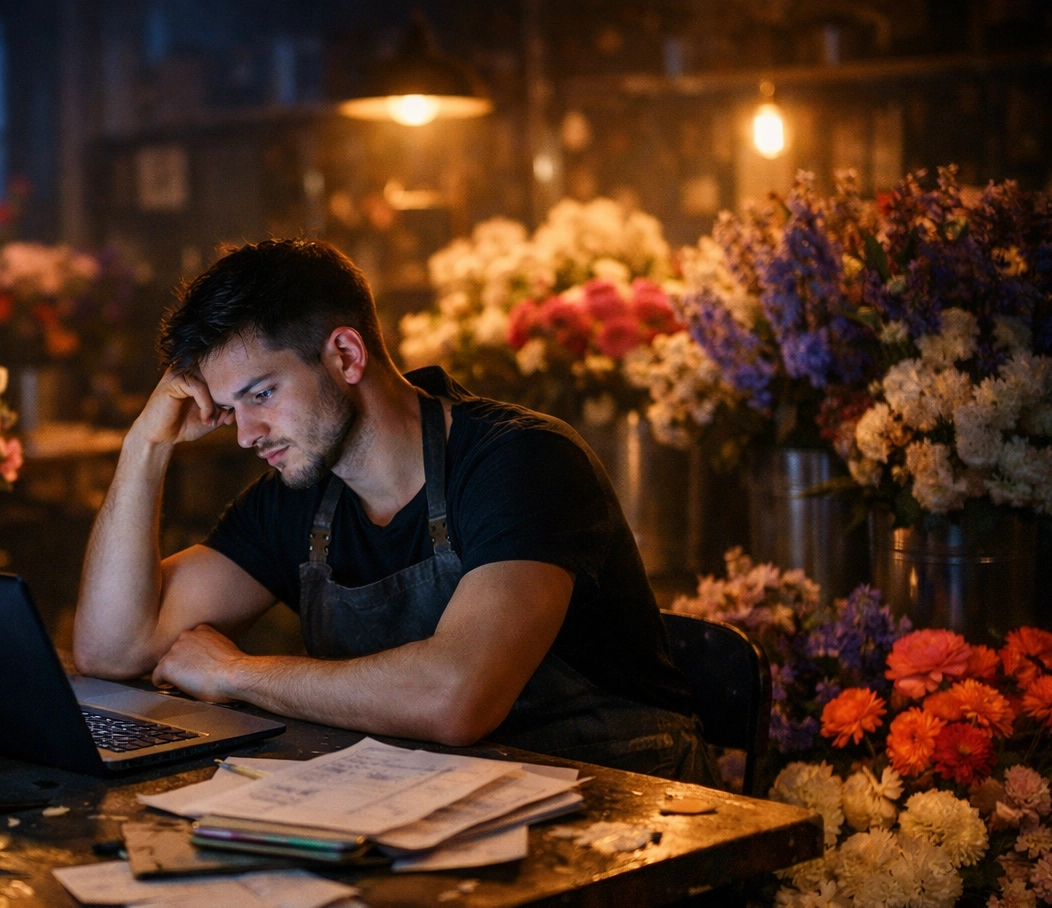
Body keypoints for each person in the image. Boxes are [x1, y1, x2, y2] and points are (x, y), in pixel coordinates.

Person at [74, 238, 716, 786]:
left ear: (346, 355)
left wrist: (238, 673)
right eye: (229, 407)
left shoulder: (521, 462)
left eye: (262, 394)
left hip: (627, 812)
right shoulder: (299, 494)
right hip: (446, 803)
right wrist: (145, 447)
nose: (244, 434)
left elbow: (456, 698)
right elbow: (115, 650)